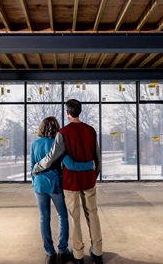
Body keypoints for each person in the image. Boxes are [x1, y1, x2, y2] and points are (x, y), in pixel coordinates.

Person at [32, 100, 103, 264]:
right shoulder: (91, 130)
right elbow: (97, 156)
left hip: (71, 182)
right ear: (80, 111)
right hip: (88, 180)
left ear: (67, 113)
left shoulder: (63, 132)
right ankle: (97, 252)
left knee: (74, 217)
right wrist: (94, 174)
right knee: (93, 214)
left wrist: (37, 166)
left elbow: (51, 157)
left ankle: (78, 255)